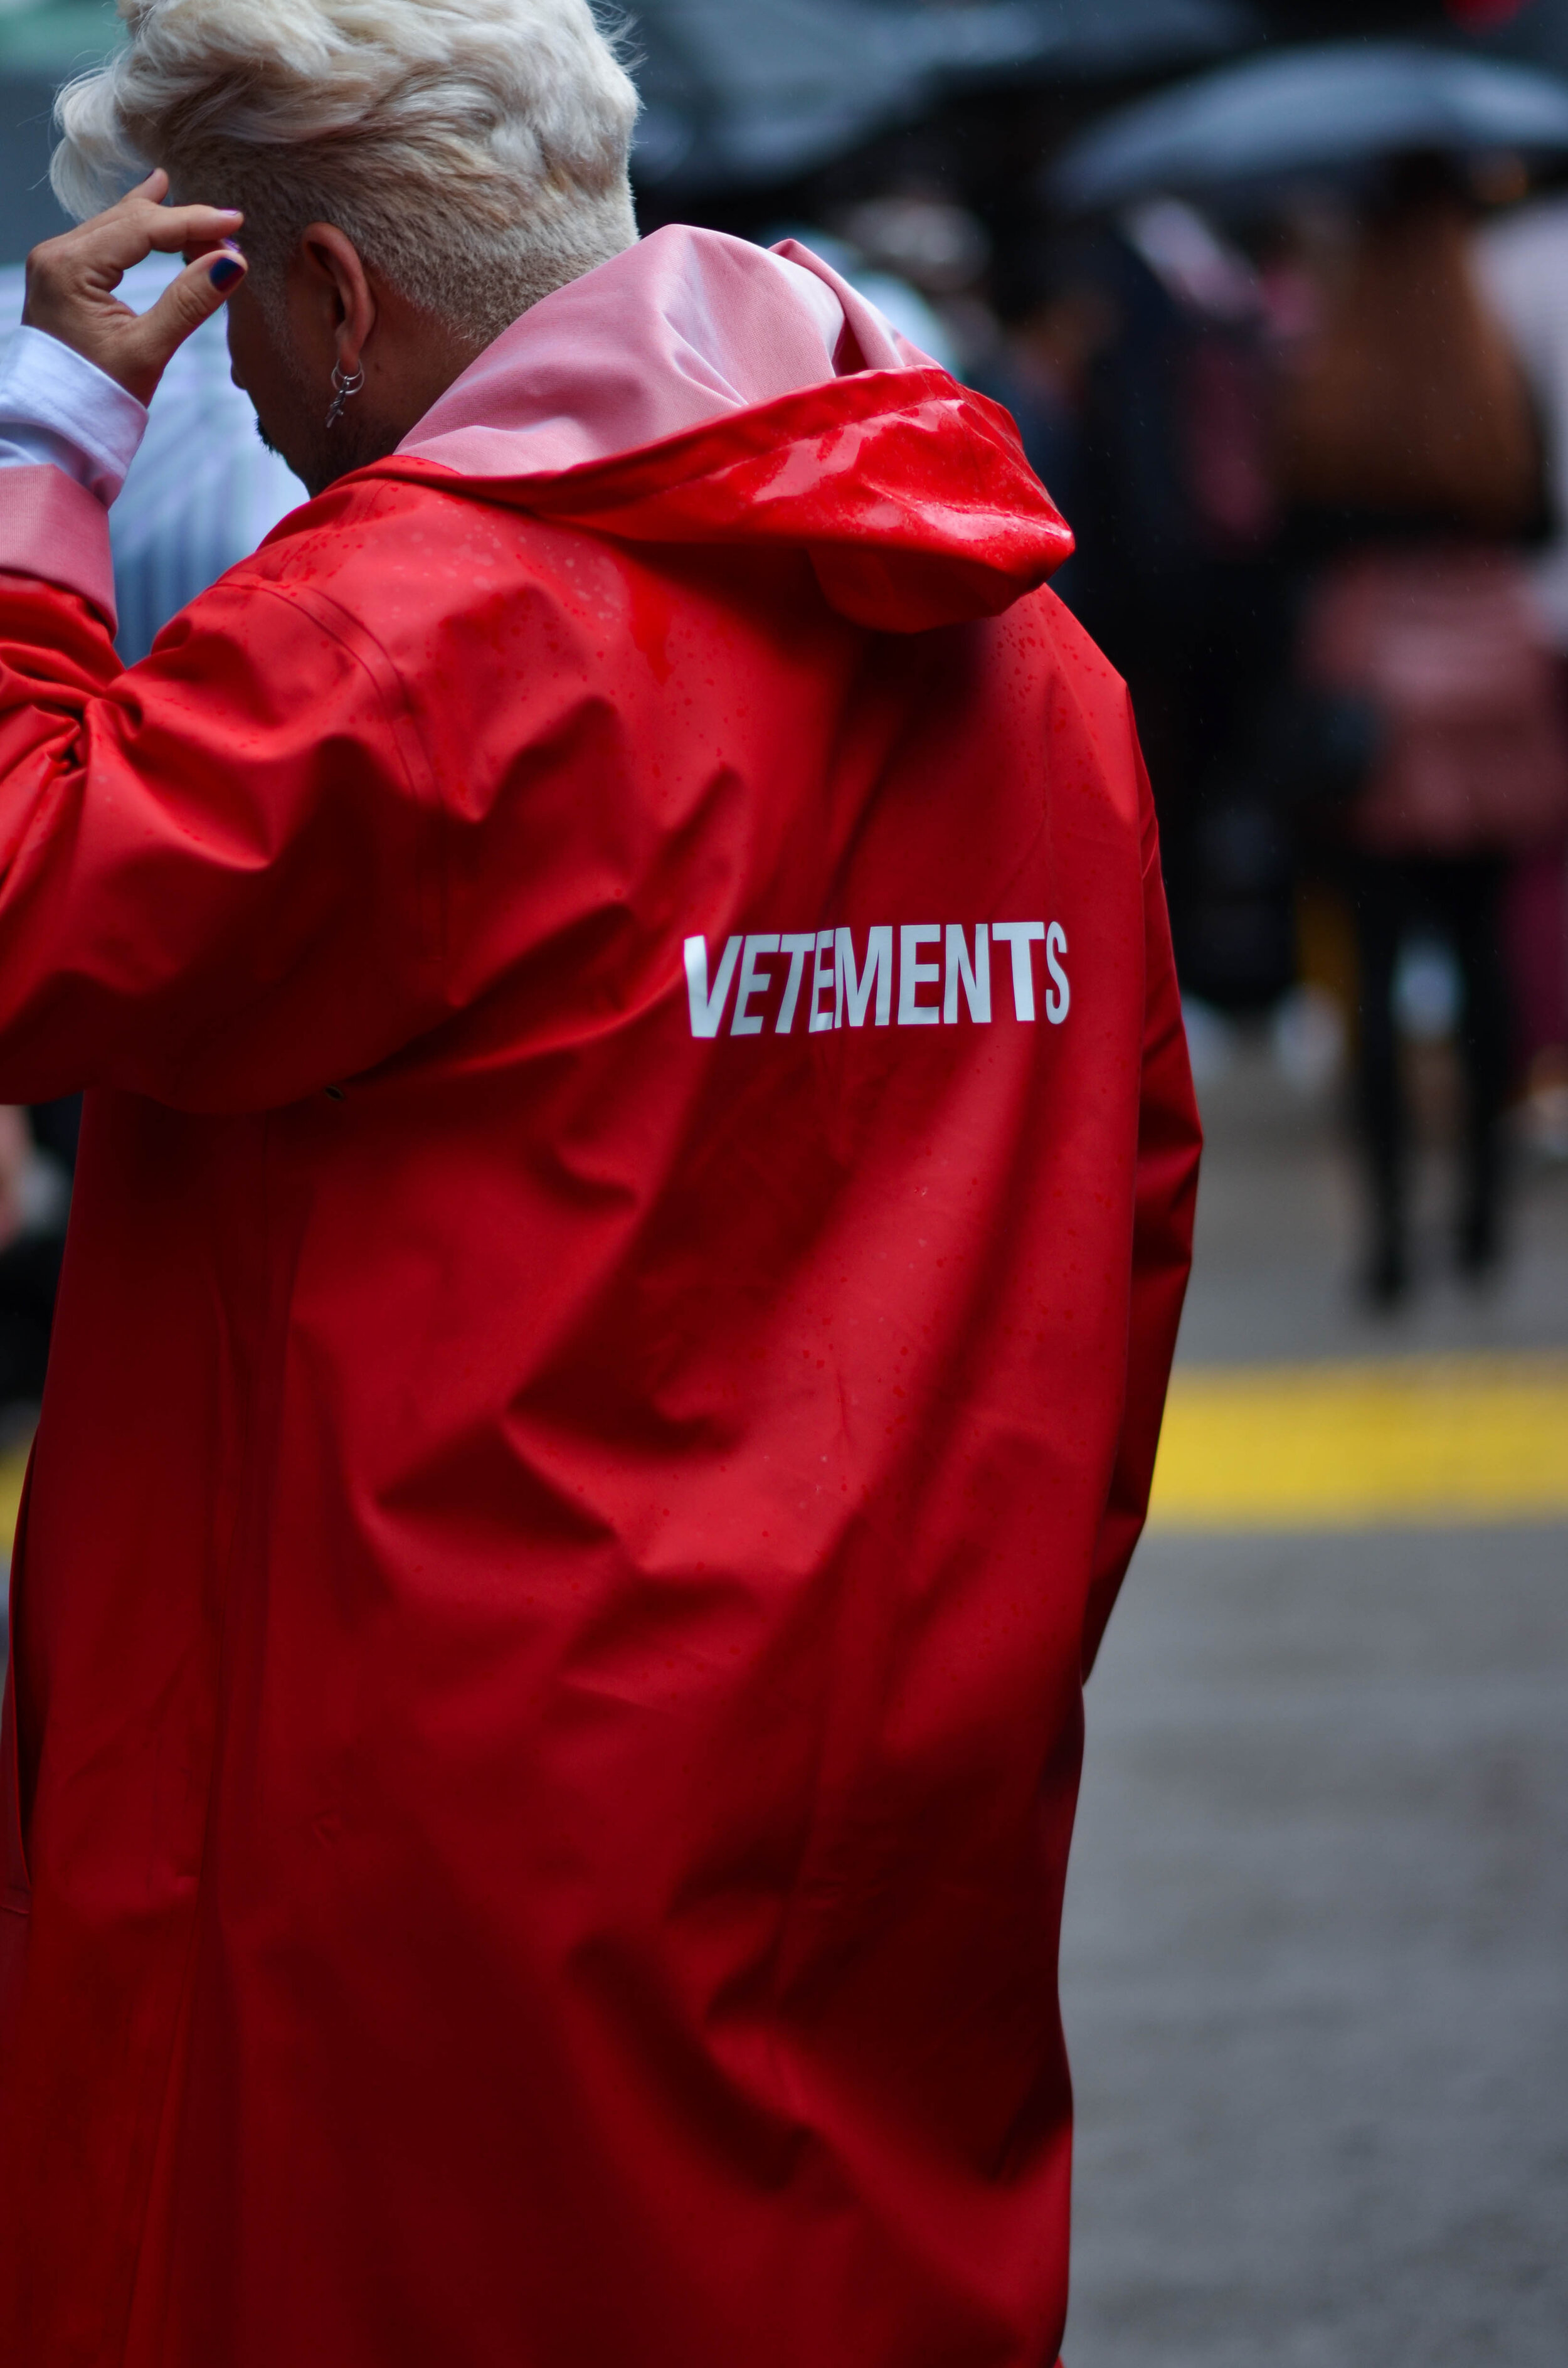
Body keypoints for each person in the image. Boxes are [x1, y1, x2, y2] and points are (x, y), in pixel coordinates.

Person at [0, 2, 1200, 2361]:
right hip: (883, 1760)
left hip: (417, 1819)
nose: (242, 406)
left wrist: (51, 440)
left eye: (245, 338)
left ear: (332, 292)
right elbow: (1127, 1202)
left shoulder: (422, 633)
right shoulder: (1036, 657)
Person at [1282, 155, 1568, 1302]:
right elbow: (1535, 506)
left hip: (1374, 673)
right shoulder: (1493, 361)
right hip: (1491, 661)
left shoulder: (1330, 366)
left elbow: (1288, 526)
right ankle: (1487, 1219)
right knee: (1487, 946)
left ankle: (1391, 1240)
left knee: (1381, 953)